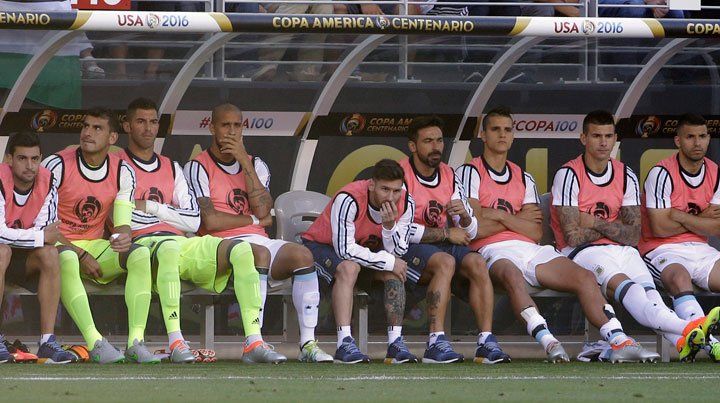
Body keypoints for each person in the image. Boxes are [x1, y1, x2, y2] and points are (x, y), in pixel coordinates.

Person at [457, 106, 658, 363]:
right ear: (483, 135)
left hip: (532, 249)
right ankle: (549, 342)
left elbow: (535, 231)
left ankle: (619, 340)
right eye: (495, 129)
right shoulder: (469, 172)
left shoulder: (524, 177)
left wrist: (499, 215)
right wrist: (517, 219)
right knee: (512, 275)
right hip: (491, 250)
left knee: (584, 277)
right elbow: (474, 228)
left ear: (513, 135)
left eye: (507, 129)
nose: (502, 135)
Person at [119, 97, 283, 364]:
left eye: (153, 122)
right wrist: (165, 212)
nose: (148, 128)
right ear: (127, 126)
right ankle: (176, 341)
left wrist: (149, 207)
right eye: (140, 121)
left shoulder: (171, 166)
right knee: (169, 247)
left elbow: (193, 220)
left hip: (183, 241)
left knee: (242, 251)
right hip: (143, 243)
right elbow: (122, 213)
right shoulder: (116, 164)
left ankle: (254, 341)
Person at [551, 110, 717, 362]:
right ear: (583, 138)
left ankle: (683, 341)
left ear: (615, 138)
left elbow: (632, 235)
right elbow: (573, 237)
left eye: (608, 136)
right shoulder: (568, 174)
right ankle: (694, 329)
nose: (603, 142)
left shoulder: (625, 174)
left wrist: (593, 221)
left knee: (651, 296)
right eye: (596, 136)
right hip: (584, 252)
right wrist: (613, 225)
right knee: (633, 292)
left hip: (624, 250)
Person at [184, 103, 332, 363]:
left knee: (302, 256)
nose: (231, 131)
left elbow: (264, 208)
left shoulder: (256, 164)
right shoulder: (197, 166)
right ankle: (255, 341)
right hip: (219, 245)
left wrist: (244, 161)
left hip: (258, 240)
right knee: (259, 253)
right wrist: (253, 219)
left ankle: (308, 343)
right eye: (225, 125)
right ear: (212, 128)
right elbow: (211, 221)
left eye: (236, 125)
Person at [41, 108, 153, 364]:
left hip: (94, 247)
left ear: (112, 138)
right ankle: (95, 342)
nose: (87, 133)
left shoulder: (122, 170)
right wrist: (81, 254)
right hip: (56, 244)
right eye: (86, 126)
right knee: (66, 257)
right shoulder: (56, 164)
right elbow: (44, 227)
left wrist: (123, 237)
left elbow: (123, 224)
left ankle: (136, 341)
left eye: (97, 128)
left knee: (139, 254)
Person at [399, 115, 510, 364]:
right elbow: (399, 230)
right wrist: (447, 233)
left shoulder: (448, 173)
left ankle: (486, 341)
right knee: (446, 262)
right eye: (428, 141)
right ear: (413, 146)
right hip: (408, 247)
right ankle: (435, 342)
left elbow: (470, 230)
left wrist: (466, 218)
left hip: (441, 245)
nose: (436, 147)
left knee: (477, 262)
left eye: (439, 140)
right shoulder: (401, 175)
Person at [303, 159, 415, 364]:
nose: (391, 197)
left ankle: (395, 343)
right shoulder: (349, 198)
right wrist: (388, 261)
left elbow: (398, 251)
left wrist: (389, 227)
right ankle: (344, 343)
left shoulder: (407, 202)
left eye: (396, 191)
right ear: (371, 184)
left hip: (364, 251)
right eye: (385, 189)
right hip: (321, 246)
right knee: (350, 267)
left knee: (394, 270)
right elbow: (344, 250)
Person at [640, 113, 720, 361]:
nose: (697, 143)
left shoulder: (715, 172)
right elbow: (660, 228)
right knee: (679, 277)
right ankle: (710, 342)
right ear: (678, 141)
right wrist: (701, 219)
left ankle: (702, 337)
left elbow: (717, 227)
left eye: (702, 136)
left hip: (701, 250)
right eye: (690, 137)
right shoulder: (661, 173)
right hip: (661, 249)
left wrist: (680, 216)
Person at [0, 132, 76, 364]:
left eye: (35, 159)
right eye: (22, 158)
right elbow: (1, 233)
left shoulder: (47, 180)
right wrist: (38, 236)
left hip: (23, 258)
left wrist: (39, 237)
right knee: (2, 250)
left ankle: (47, 342)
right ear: (9, 159)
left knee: (50, 253)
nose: (29, 165)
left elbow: (48, 234)